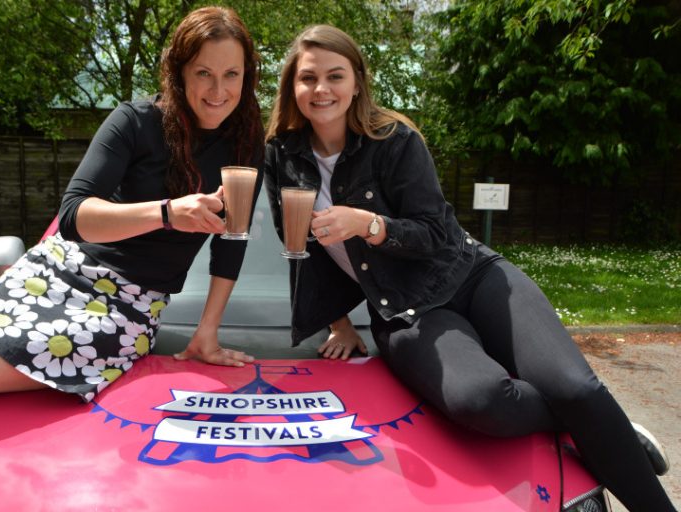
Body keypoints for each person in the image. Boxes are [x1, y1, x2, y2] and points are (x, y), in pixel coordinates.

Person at [263, 24, 675, 511]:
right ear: (292, 85)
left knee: (576, 388)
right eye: (308, 77)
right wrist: (338, 323)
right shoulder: (282, 155)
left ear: (356, 83)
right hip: (405, 312)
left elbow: (435, 232)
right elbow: (303, 246)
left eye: (335, 75)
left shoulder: (395, 140)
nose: (322, 89)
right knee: (481, 402)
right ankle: (601, 426)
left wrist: (370, 225)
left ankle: (601, 426)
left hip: (473, 275)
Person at [0, 6, 263, 450]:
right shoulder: (135, 120)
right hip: (53, 273)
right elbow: (75, 216)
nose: (218, 90)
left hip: (123, 310)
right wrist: (166, 212)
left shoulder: (246, 145)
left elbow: (232, 241)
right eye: (203, 73)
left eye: (232, 74)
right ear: (179, 72)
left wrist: (206, 332)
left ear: (247, 76)